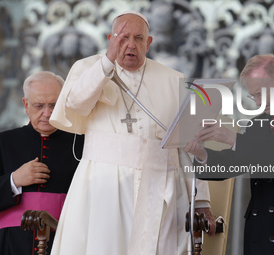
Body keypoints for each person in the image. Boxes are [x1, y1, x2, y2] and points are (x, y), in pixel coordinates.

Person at [48, 10, 215, 255]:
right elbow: (76, 104)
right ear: (110, 38)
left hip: (160, 187)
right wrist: (106, 63)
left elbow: (188, 146)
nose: (130, 45)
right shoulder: (88, 68)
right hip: (103, 184)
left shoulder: (173, 79)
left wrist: (200, 200)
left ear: (148, 43)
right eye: (123, 37)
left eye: (138, 38)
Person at [185, 54, 274, 255]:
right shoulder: (257, 123)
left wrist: (234, 139)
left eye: (262, 93)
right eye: (254, 96)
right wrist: (201, 154)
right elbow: (235, 162)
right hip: (261, 234)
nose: (259, 102)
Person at [0, 71, 84, 255]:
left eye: (53, 105)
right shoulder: (4, 142)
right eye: (39, 106)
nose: (47, 113)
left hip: (64, 243)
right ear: (26, 105)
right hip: (11, 245)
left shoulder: (80, 144)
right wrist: (14, 179)